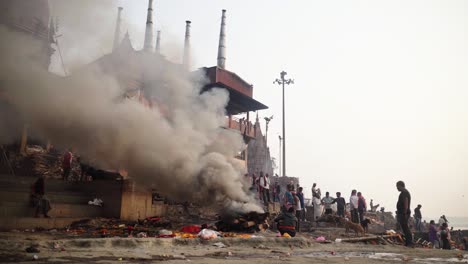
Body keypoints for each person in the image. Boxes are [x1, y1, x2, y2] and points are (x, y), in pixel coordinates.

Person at [396, 180, 413, 247]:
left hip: (404, 213)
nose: (397, 188)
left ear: (400, 185)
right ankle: (408, 242)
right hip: (403, 212)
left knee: (405, 228)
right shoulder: (404, 192)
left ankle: (409, 242)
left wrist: (405, 212)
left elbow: (406, 202)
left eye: (397, 186)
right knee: (404, 228)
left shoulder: (404, 193)